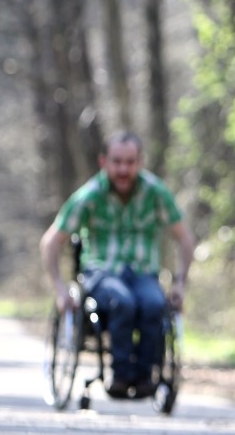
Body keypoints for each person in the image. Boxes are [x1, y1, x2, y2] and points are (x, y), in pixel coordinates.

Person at [40, 130, 194, 399]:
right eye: (117, 161)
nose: (124, 169)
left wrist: (180, 283)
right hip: (102, 273)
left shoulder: (155, 193)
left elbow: (185, 239)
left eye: (130, 162)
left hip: (143, 273)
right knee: (122, 301)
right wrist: (60, 289)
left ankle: (146, 378)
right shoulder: (89, 196)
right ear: (104, 162)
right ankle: (121, 377)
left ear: (140, 162)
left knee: (154, 304)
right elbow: (51, 241)